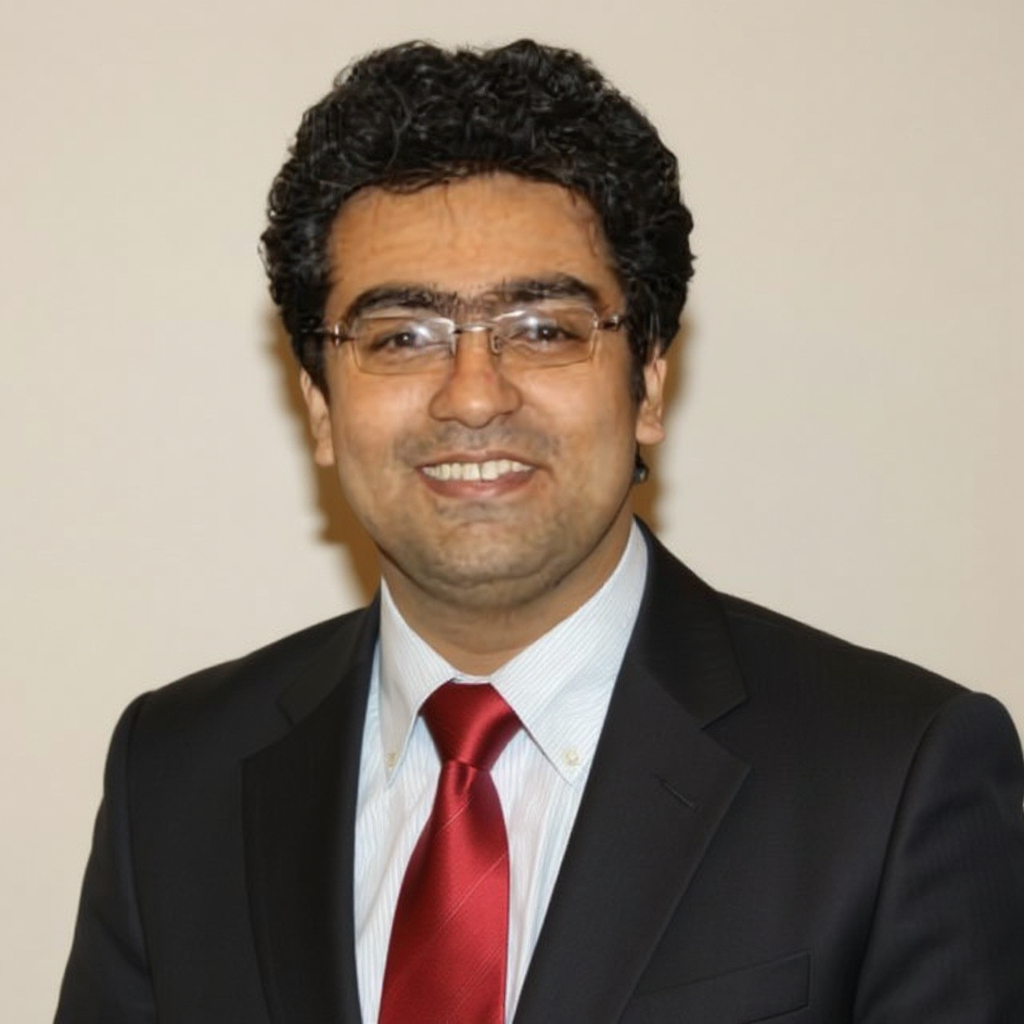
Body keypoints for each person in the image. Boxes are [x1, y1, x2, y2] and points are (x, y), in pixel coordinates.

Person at [56, 39, 1024, 1024]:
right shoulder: (172, 777)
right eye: (402, 337)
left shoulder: (894, 778)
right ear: (319, 406)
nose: (474, 395)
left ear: (649, 381)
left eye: (544, 329)